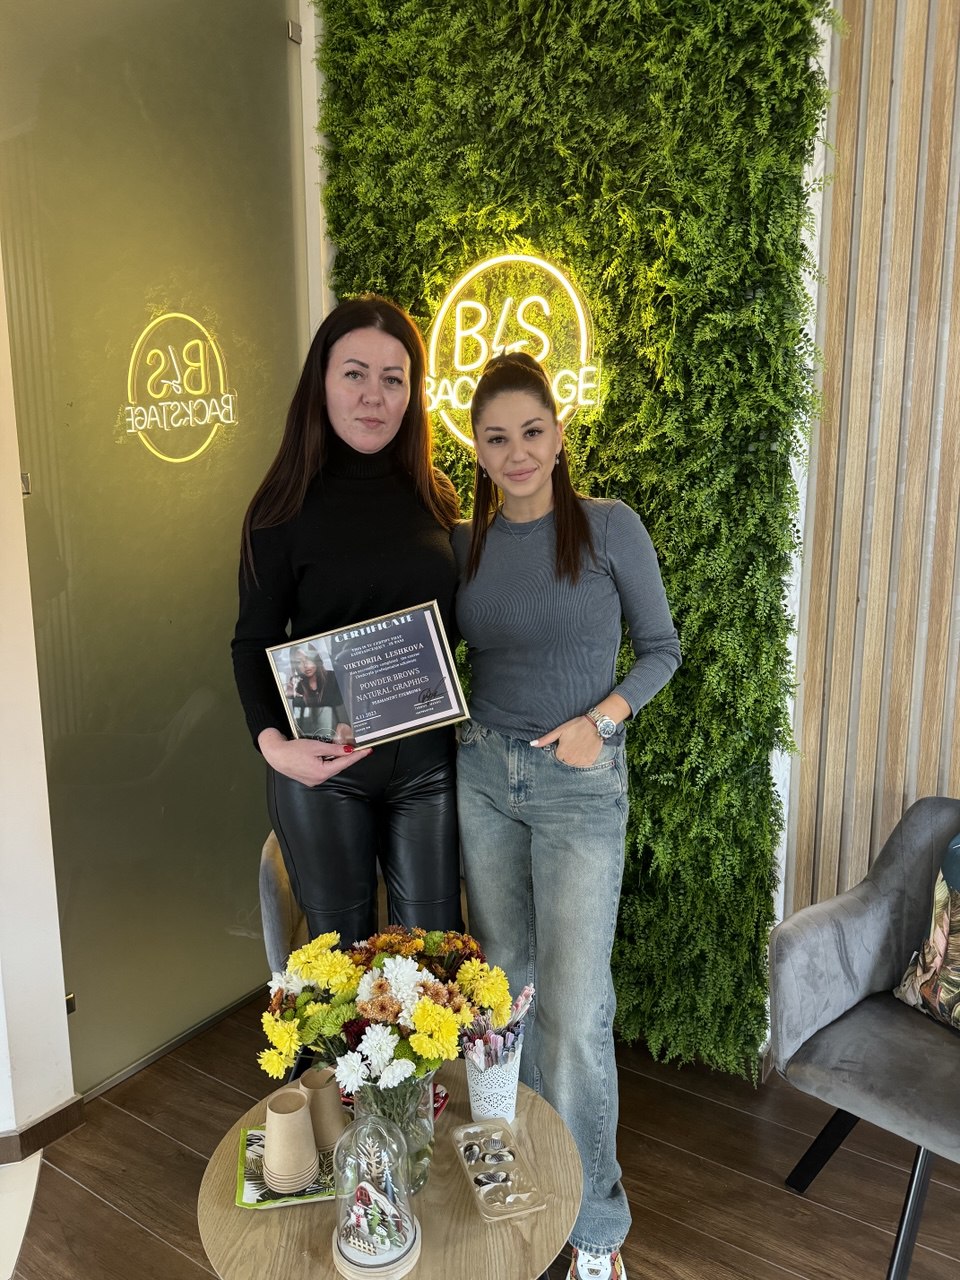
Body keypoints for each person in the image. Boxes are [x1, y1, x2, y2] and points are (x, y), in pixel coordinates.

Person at [453, 352, 681, 1280]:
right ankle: (523, 1185)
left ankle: (594, 1228)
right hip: (482, 776)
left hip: (578, 784)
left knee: (578, 1012)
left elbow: (661, 649)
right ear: (476, 449)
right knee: (506, 991)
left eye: (532, 432)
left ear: (559, 434)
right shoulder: (464, 542)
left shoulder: (609, 526)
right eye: (496, 438)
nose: (516, 452)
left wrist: (601, 721)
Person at [232, 295, 464, 945]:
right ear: (322, 382)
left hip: (427, 766)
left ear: (412, 395)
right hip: (324, 764)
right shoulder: (280, 507)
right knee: (342, 967)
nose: (373, 396)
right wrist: (276, 748)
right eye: (355, 374)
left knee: (434, 960)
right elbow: (253, 642)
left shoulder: (435, 496)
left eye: (393, 379)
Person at [286, 643, 348, 742]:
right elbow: (299, 721)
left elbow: (343, 709)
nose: (305, 665)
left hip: (340, 734)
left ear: (316, 659)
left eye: (308, 659)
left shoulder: (332, 677)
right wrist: (291, 696)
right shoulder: (296, 685)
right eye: (299, 662)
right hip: (311, 739)